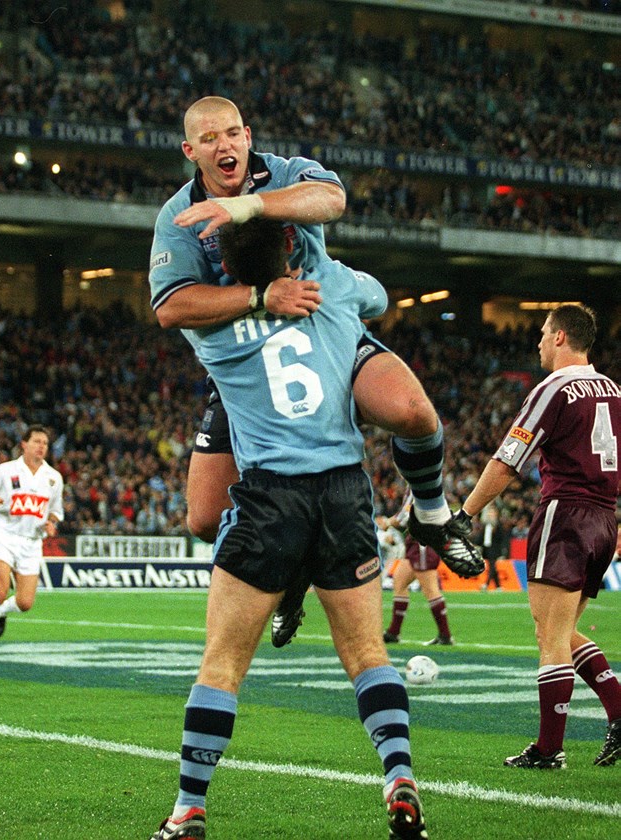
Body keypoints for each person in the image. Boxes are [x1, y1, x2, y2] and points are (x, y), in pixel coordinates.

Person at [149, 95, 483, 645]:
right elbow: (171, 307)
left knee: (413, 413)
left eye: (232, 133)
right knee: (204, 519)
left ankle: (432, 514)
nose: (224, 145)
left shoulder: (280, 172)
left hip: (326, 335)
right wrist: (262, 296)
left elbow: (332, 198)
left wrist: (249, 208)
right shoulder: (178, 216)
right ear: (191, 151)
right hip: (247, 372)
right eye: (209, 139)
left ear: (248, 135)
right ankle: (292, 577)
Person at [148, 218, 429, 840]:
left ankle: (188, 811)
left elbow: (178, 303)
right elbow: (377, 295)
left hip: (271, 495)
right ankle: (399, 776)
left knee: (221, 666)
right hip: (344, 491)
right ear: (292, 250)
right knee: (367, 655)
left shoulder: (210, 334)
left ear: (223, 267)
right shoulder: (332, 287)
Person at [459, 304, 621, 769]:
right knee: (560, 630)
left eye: (543, 333)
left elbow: (509, 458)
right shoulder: (612, 389)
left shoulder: (555, 388)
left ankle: (549, 748)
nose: (537, 342)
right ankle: (617, 710)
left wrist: (466, 513)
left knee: (549, 638)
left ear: (560, 338)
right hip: (605, 518)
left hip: (565, 515)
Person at [0, 424, 64, 659]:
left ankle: (0, 612)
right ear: (24, 444)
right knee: (0, 591)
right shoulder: (6, 470)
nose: (41, 446)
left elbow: (55, 511)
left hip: (32, 543)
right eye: (37, 441)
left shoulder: (53, 478)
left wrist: (51, 522)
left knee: (24, 603)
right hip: (5, 537)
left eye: (45, 443)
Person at [380, 490, 454, 646]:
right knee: (399, 582)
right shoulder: (414, 485)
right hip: (416, 539)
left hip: (423, 541)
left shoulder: (417, 485)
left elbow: (404, 516)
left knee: (430, 589)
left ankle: (445, 636)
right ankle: (393, 632)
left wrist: (386, 523)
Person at [474, 503, 510, 591]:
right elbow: (481, 537)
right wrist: (475, 544)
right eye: (489, 513)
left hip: (494, 549)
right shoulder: (485, 525)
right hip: (486, 549)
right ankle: (498, 586)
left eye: (492, 513)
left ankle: (486, 584)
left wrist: (504, 550)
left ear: (496, 514)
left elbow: (503, 539)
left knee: (492, 566)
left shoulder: (498, 526)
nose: (491, 515)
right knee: (493, 567)